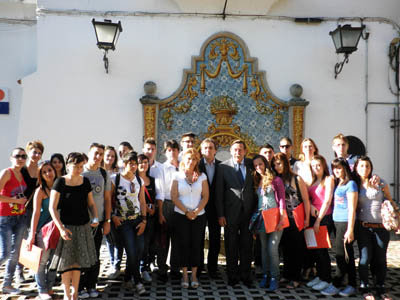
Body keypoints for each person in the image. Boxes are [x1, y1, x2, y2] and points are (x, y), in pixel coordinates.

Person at [49, 152, 98, 300]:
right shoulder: (60, 182)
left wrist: (95, 217)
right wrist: (61, 228)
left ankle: (75, 294)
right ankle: (66, 293)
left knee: (77, 262)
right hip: (66, 227)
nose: (79, 169)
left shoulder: (85, 181)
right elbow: (53, 207)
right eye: (76, 166)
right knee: (66, 264)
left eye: (81, 166)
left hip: (83, 226)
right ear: (68, 165)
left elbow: (91, 203)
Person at [216, 140, 257, 287]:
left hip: (248, 212)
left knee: (247, 245)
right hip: (230, 213)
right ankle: (232, 275)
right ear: (230, 151)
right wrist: (220, 214)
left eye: (240, 150)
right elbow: (219, 192)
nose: (238, 152)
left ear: (245, 151)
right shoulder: (222, 167)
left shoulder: (252, 165)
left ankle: (245, 275)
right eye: (235, 150)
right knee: (231, 245)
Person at [354, 156, 393, 300]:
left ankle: (380, 285)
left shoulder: (380, 182)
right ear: (356, 168)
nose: (365, 169)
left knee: (381, 258)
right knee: (364, 258)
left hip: (381, 227)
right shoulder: (355, 184)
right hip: (363, 227)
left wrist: (395, 218)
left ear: (371, 168)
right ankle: (364, 285)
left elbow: (389, 200)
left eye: (367, 166)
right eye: (362, 166)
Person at [110, 151, 147, 295]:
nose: (133, 166)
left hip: (137, 219)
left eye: (135, 164)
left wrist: (144, 220)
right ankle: (137, 281)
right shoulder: (115, 179)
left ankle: (127, 278)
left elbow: (142, 201)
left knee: (139, 251)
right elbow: (109, 200)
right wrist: (113, 216)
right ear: (124, 164)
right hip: (123, 222)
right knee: (131, 252)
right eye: (130, 163)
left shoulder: (139, 180)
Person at [171, 148, 209, 288]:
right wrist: (187, 211)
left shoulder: (202, 176)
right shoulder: (177, 176)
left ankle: (194, 274)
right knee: (183, 244)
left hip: (199, 216)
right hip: (181, 215)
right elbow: (174, 196)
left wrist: (197, 210)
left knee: (196, 244)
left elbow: (205, 196)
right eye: (188, 158)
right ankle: (185, 276)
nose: (191, 161)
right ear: (183, 160)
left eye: (194, 159)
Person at [271, 153, 310, 289]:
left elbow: (305, 200)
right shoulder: (277, 179)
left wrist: (307, 219)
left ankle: (296, 278)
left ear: (286, 163)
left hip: (296, 217)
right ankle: (286, 275)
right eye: (274, 165)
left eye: (279, 163)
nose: (277, 167)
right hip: (282, 218)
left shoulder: (297, 178)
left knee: (297, 248)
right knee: (285, 248)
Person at [78, 143, 111, 299]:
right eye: (96, 153)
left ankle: (92, 285)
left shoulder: (104, 174)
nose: (98, 157)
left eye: (101, 154)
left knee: (95, 255)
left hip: (98, 223)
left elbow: (107, 199)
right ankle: (79, 287)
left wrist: (107, 221)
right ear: (89, 154)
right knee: (80, 255)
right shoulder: (80, 173)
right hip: (81, 223)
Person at [321, 158, 358, 297]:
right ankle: (347, 283)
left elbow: (352, 209)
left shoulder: (351, 184)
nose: (336, 170)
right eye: (334, 168)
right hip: (336, 221)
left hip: (344, 223)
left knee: (343, 254)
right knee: (342, 254)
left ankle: (344, 284)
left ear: (345, 168)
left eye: (339, 168)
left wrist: (350, 229)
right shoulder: (339, 183)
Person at [252, 155, 285, 291]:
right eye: (255, 166)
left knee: (272, 249)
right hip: (262, 219)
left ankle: (274, 277)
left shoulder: (276, 180)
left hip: (275, 218)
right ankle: (266, 275)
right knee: (264, 249)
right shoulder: (257, 180)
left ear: (265, 164)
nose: (258, 167)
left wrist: (282, 218)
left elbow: (282, 199)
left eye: (260, 164)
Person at [26, 161, 57, 300]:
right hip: (42, 231)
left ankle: (49, 287)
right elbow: (36, 213)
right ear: (41, 175)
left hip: (58, 230)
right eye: (44, 172)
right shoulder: (40, 191)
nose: (48, 174)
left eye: (49, 170)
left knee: (54, 261)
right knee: (42, 261)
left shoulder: (60, 187)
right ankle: (42, 289)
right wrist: (31, 234)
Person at [0, 147, 28, 294]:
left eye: (24, 156)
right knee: (4, 254)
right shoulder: (7, 172)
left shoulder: (21, 174)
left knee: (15, 254)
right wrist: (14, 200)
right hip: (6, 218)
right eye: (18, 156)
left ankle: (7, 284)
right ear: (11, 157)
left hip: (20, 217)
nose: (21, 158)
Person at [305, 155, 335, 292]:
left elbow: (327, 201)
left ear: (324, 166)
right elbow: (309, 198)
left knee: (323, 251)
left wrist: (318, 220)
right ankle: (320, 276)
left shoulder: (328, 179)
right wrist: (310, 206)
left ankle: (326, 279)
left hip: (324, 218)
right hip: (313, 218)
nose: (316, 168)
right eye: (314, 166)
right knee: (315, 250)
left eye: (318, 165)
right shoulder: (312, 181)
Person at [19, 140, 44, 282]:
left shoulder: (41, 170)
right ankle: (18, 271)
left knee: (32, 238)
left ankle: (31, 267)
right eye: (34, 152)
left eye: (39, 153)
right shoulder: (22, 169)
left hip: (36, 209)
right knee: (21, 240)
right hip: (22, 209)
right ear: (28, 152)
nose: (36, 155)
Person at [156, 140, 181, 282]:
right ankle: (162, 269)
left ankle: (175, 268)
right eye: (169, 150)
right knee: (163, 240)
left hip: (181, 205)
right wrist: (160, 212)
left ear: (178, 151)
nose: (172, 152)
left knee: (177, 239)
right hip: (166, 204)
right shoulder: (162, 168)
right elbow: (159, 191)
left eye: (175, 150)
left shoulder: (182, 167)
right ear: (165, 152)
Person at [199, 138, 221, 278]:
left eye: (211, 147)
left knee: (215, 238)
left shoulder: (222, 166)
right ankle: (199, 268)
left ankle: (212, 269)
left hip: (216, 208)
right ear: (201, 150)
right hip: (199, 206)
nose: (208, 150)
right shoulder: (196, 165)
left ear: (215, 150)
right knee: (198, 238)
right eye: (205, 147)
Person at [103, 145, 123, 279]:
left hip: (116, 209)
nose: (110, 158)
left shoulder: (118, 173)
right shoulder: (99, 172)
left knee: (118, 239)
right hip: (101, 209)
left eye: (112, 156)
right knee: (109, 239)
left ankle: (116, 264)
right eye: (108, 155)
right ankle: (112, 263)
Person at [137, 154, 156, 283]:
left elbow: (155, 196)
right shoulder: (134, 180)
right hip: (138, 217)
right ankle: (137, 269)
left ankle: (145, 268)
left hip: (151, 217)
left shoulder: (152, 180)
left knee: (148, 244)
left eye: (146, 162)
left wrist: (153, 207)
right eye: (141, 163)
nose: (143, 165)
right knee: (139, 244)